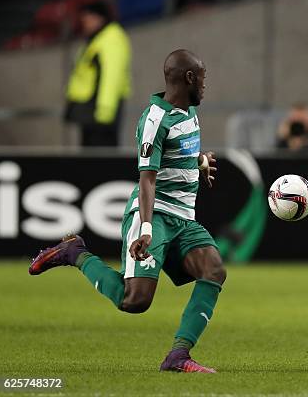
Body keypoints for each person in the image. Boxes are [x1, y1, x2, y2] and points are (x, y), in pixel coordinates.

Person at [30, 49, 225, 373]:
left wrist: (199, 161)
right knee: (134, 301)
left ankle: (178, 356)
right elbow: (147, 179)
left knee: (214, 270)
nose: (205, 85)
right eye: (202, 78)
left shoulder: (188, 110)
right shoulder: (154, 120)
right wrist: (147, 229)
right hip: (155, 216)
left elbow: (175, 153)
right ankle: (75, 252)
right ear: (189, 78)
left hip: (183, 219)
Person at [64, 0, 131, 146]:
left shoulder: (110, 39)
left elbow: (111, 77)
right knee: (92, 158)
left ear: (98, 18)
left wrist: (104, 112)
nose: (84, 24)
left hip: (99, 111)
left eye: (87, 19)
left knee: (101, 159)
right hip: (92, 110)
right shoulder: (98, 39)